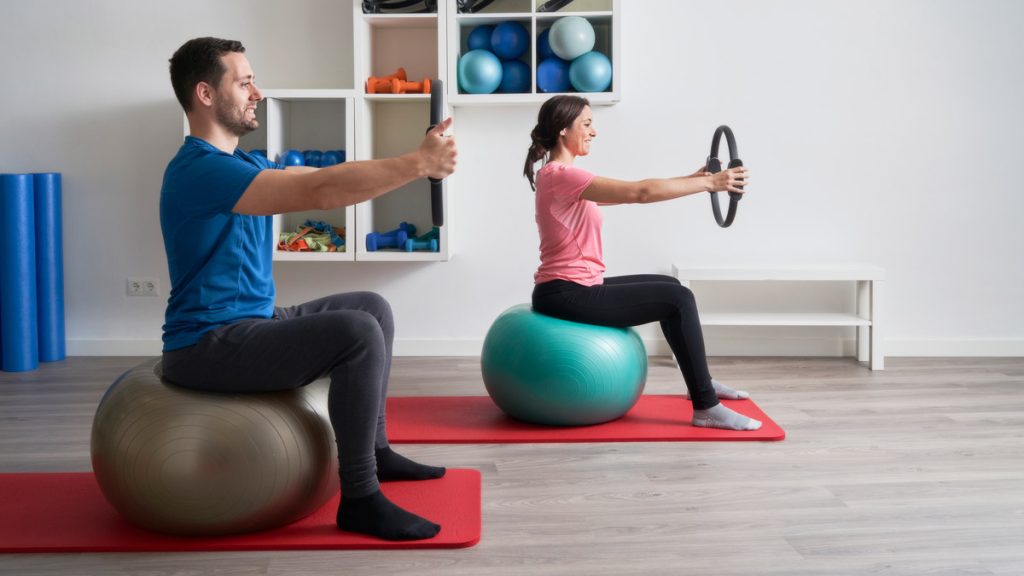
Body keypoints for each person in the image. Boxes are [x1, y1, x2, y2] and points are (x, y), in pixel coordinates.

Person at [159, 37, 457, 540]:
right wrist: (417, 165)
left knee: (371, 307)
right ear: (206, 94)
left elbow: (323, 176)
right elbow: (320, 193)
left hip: (250, 322)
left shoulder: (243, 166)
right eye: (245, 80)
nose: (257, 91)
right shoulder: (199, 171)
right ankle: (359, 498)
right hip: (205, 344)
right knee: (357, 332)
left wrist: (412, 160)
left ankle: (376, 452)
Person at [522, 95, 761, 431]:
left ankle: (701, 381)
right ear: (563, 129)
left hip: (574, 286)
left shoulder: (561, 178)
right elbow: (641, 192)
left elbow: (636, 195)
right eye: (587, 124)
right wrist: (710, 182)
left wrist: (692, 179)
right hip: (565, 293)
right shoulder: (561, 175)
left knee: (671, 287)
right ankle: (706, 406)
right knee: (679, 301)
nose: (594, 132)